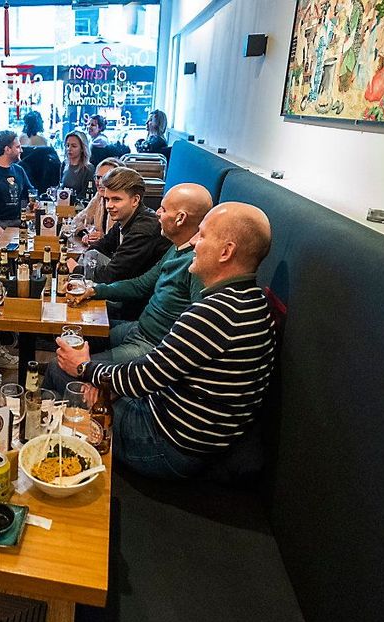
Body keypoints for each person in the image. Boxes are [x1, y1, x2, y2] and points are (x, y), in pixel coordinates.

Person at [56, 203, 276, 479]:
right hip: (186, 430)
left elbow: (143, 378)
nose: (194, 242)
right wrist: (110, 384)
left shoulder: (213, 313)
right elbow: (156, 374)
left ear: (226, 252)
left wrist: (85, 369)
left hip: (166, 444)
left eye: (203, 235)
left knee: (64, 378)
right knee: (93, 387)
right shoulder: (252, 300)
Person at [44, 183, 213, 392]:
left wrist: (91, 370)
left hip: (150, 346)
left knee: (56, 367)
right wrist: (94, 290)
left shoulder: (197, 266)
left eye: (164, 209)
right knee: (68, 334)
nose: (157, 213)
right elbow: (141, 284)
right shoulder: (176, 249)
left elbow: (191, 341)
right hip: (138, 328)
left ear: (181, 218)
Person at [70, 166, 169, 284]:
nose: (109, 206)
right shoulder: (125, 219)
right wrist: (84, 260)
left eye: (116, 199)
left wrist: (77, 270)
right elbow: (102, 246)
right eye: (107, 199)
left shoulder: (143, 228)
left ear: (135, 200)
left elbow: (113, 275)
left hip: (140, 296)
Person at [71, 157, 123, 244]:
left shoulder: (124, 202)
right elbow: (76, 220)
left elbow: (122, 239)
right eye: (98, 177)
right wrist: (86, 234)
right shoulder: (99, 197)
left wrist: (103, 237)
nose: (100, 182)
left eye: (105, 178)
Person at [60, 130, 95, 202]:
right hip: (63, 206)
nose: (69, 149)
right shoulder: (64, 164)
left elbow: (87, 196)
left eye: (74, 146)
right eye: (67, 145)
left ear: (82, 148)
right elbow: (60, 188)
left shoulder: (88, 169)